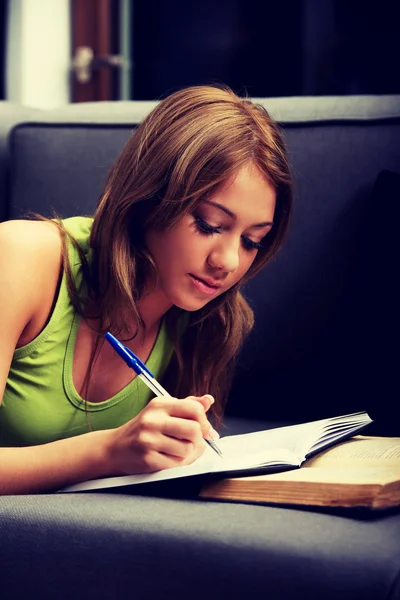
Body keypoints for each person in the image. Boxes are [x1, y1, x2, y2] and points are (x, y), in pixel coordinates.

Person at [0, 84, 292, 494]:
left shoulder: (208, 319)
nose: (228, 262)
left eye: (252, 241)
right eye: (209, 225)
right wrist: (107, 451)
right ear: (149, 197)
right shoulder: (19, 257)